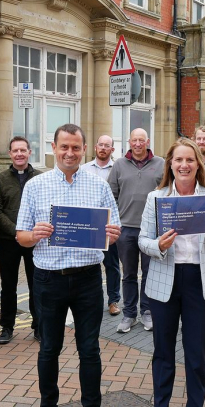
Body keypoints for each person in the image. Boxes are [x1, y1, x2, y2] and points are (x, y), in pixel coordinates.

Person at [16, 124, 121, 407]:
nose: (70, 153)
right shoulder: (36, 186)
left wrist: (112, 234)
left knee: (89, 350)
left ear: (84, 149)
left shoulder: (98, 185)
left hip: (89, 278)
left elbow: (113, 226)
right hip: (48, 279)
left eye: (76, 148)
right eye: (64, 147)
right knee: (49, 348)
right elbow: (20, 237)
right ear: (54, 147)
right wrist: (34, 235)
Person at [138, 138, 205, 407]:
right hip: (165, 280)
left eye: (190, 160)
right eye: (178, 160)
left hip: (198, 283)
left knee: (196, 355)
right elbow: (142, 240)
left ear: (198, 164)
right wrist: (158, 245)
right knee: (163, 354)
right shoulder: (156, 197)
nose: (184, 165)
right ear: (170, 164)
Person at [107, 128, 165, 333]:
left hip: (152, 230)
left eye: (142, 140)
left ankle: (147, 312)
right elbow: (111, 196)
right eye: (134, 140)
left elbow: (167, 193)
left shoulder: (161, 164)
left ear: (148, 141)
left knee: (150, 273)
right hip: (126, 230)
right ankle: (129, 314)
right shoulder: (119, 165)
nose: (138, 144)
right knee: (129, 274)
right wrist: (117, 222)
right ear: (129, 142)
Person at [0, 136, 41, 345]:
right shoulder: (0, 180)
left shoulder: (40, 178)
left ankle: (39, 326)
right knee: (8, 286)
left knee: (36, 285)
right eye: (15, 151)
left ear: (30, 152)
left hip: (35, 242)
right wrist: (17, 232)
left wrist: (31, 234)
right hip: (8, 240)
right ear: (10, 154)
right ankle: (6, 327)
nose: (19, 154)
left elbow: (45, 208)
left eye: (23, 150)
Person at [82, 135, 121, 316]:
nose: (103, 148)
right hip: (87, 225)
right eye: (101, 145)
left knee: (111, 265)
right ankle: (89, 300)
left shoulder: (118, 169)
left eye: (107, 146)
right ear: (95, 147)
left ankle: (113, 301)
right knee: (89, 264)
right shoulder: (83, 169)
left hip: (108, 225)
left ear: (112, 150)